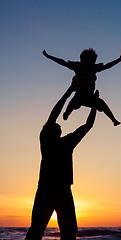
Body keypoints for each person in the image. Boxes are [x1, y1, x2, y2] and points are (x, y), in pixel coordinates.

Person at [26, 86, 98, 240]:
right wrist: (69, 91)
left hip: (64, 190)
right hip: (46, 189)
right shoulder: (45, 140)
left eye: (59, 125)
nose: (57, 124)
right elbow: (54, 114)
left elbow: (88, 125)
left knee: (70, 231)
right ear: (48, 129)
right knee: (36, 229)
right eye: (53, 124)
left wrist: (95, 105)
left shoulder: (68, 141)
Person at [43, 49, 121, 126]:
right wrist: (49, 56)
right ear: (82, 59)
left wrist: (119, 60)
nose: (88, 63)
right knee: (74, 100)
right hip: (80, 94)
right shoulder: (78, 66)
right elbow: (63, 62)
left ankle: (113, 120)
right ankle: (67, 112)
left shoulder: (93, 68)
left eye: (91, 61)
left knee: (101, 103)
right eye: (86, 60)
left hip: (90, 96)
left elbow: (107, 66)